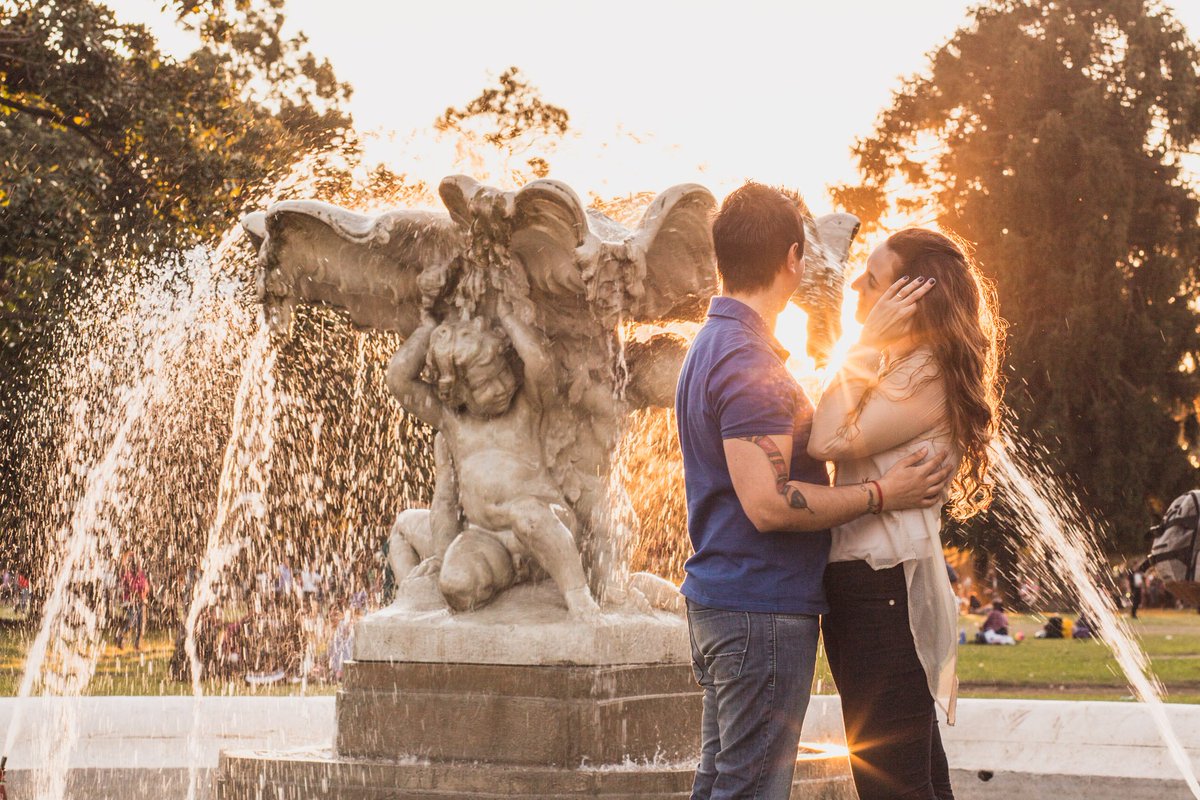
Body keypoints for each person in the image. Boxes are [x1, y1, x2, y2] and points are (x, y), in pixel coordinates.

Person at [675, 184, 954, 800]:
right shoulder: (750, 365)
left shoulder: (712, 347)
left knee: (723, 781)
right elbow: (771, 503)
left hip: (734, 597)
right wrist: (883, 493)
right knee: (749, 788)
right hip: (760, 606)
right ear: (794, 259)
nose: (855, 286)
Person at [809, 227, 1004, 799]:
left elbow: (827, 438)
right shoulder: (903, 367)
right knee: (914, 779)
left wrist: (864, 341)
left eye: (872, 281)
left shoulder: (926, 374)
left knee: (894, 783)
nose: (855, 287)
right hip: (872, 588)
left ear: (912, 299)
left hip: (880, 592)